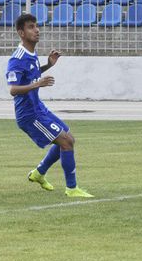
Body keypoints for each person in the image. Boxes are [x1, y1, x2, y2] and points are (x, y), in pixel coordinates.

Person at [5, 13, 94, 199]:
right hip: (29, 115)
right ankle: (72, 188)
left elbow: (31, 74)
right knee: (66, 142)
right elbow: (13, 89)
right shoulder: (17, 58)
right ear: (21, 33)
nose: (36, 30)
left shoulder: (31, 54)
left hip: (38, 108)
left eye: (36, 26)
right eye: (31, 27)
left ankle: (39, 173)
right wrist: (38, 84)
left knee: (68, 138)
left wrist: (48, 65)